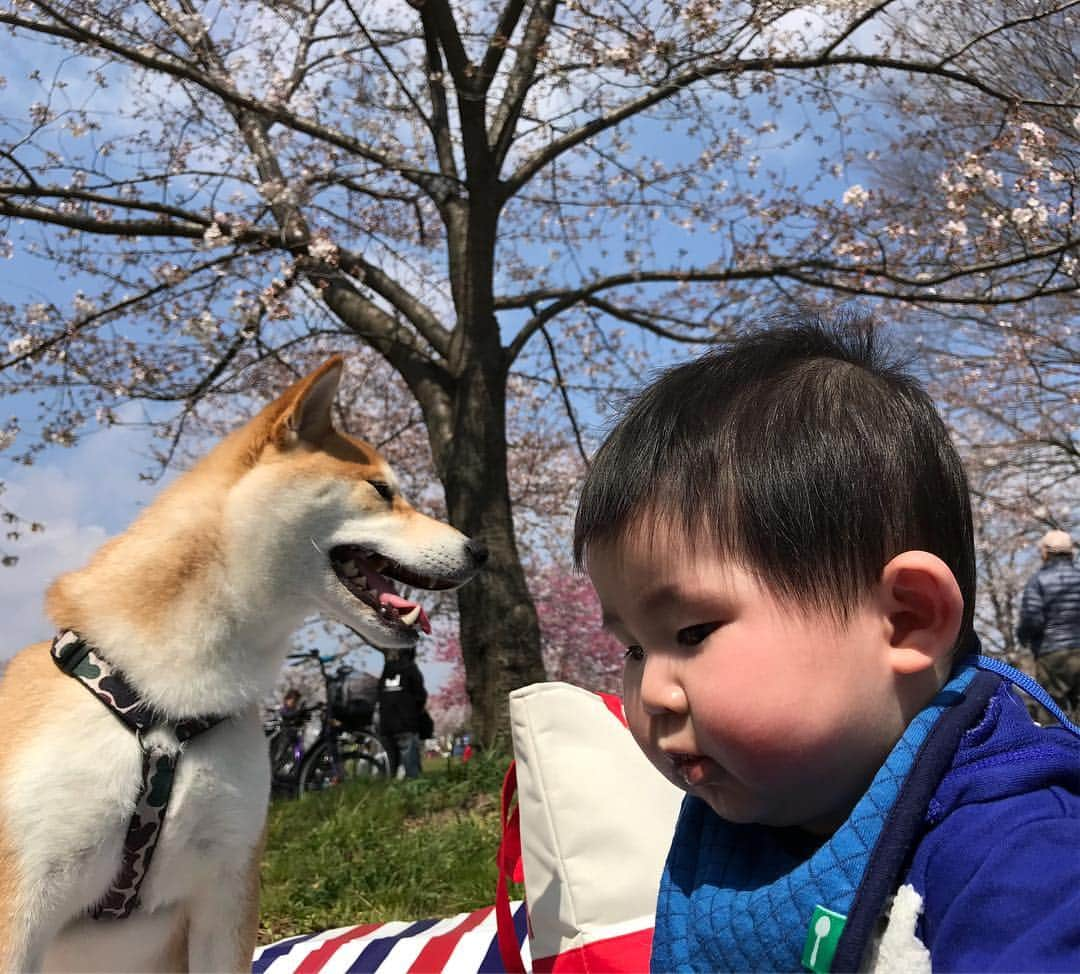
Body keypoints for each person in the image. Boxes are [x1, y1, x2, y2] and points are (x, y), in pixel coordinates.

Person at [573, 314, 1080, 972]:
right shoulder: (754, 818)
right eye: (633, 649)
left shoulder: (1020, 863)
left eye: (692, 633)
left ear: (905, 620)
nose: (652, 695)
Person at [1016, 529, 1080, 725]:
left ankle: (1059, 754)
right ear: (1071, 553)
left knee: (1052, 713)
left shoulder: (1037, 581)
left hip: (1051, 655)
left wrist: (1023, 638)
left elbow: (1032, 619)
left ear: (1045, 552)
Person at [378, 646, 428, 779]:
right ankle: (414, 787)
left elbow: (379, 693)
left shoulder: (387, 669)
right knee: (410, 764)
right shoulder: (411, 669)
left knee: (391, 764)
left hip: (386, 722)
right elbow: (420, 696)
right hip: (406, 722)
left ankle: (390, 789)